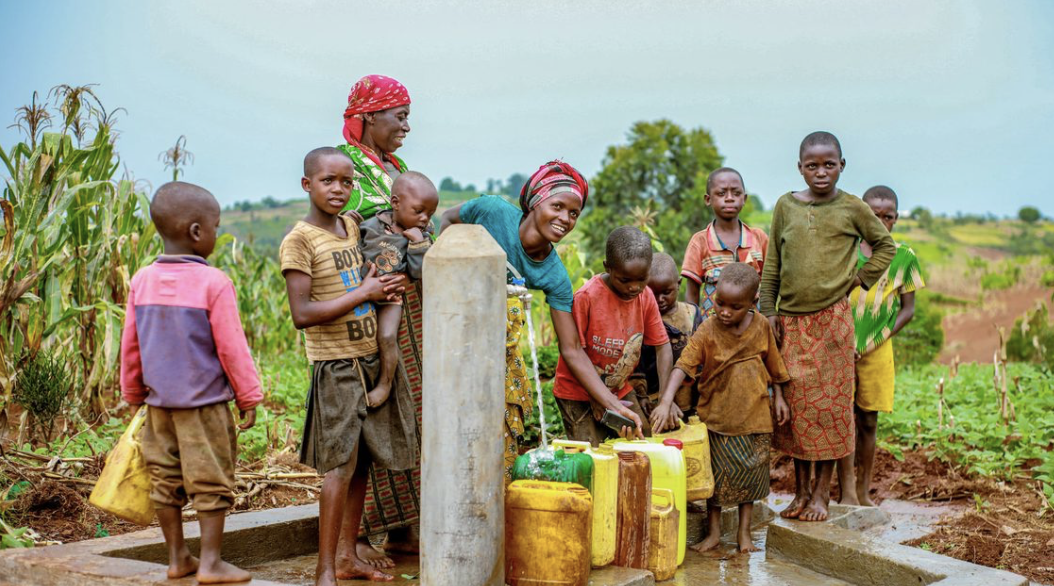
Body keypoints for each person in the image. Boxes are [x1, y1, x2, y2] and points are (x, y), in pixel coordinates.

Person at [441, 161, 647, 477]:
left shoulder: (554, 276)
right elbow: (448, 219)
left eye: (574, 213)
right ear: (537, 201)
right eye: (558, 206)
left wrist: (612, 403)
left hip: (490, 339)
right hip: (450, 319)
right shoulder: (492, 211)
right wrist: (448, 278)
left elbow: (572, 349)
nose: (565, 218)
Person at [279, 147, 417, 584]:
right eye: (328, 181)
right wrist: (365, 293)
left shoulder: (352, 227)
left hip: (370, 359)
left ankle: (346, 556)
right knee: (339, 468)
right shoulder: (299, 240)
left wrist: (391, 278)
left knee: (361, 465)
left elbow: (379, 264)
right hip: (336, 367)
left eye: (346, 182)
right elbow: (302, 314)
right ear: (307, 185)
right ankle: (325, 570)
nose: (339, 189)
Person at [120, 181, 261, 584]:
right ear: (198, 232)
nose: (216, 233)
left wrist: (133, 394)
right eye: (215, 226)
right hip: (204, 406)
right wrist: (248, 396)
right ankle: (212, 563)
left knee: (164, 478)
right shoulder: (213, 283)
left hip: (159, 404)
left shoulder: (141, 280)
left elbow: (131, 345)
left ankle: (178, 558)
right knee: (210, 480)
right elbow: (233, 348)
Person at [760, 132, 896, 522]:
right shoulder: (786, 206)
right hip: (791, 325)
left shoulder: (852, 207)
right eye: (812, 165)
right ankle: (800, 495)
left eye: (829, 164)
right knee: (798, 414)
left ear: (842, 166)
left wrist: (858, 279)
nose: (821, 172)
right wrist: (769, 310)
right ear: (799, 168)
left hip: (834, 324)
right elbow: (773, 264)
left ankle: (822, 496)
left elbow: (884, 246)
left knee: (831, 412)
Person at [337, 74, 421, 567]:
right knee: (369, 423)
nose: (407, 126)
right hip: (364, 300)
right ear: (369, 115)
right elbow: (345, 226)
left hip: (402, 301)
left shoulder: (396, 166)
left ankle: (401, 530)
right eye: (400, 115)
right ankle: (359, 538)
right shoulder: (344, 164)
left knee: (405, 415)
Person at [656, 263, 790, 553]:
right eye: (720, 303)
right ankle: (713, 533)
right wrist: (666, 401)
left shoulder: (762, 327)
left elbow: (775, 366)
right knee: (713, 482)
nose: (725, 311)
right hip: (716, 418)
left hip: (754, 418)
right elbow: (684, 366)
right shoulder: (708, 329)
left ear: (752, 303)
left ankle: (744, 534)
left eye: (734, 307)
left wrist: (779, 397)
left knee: (750, 482)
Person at [837, 185, 924, 506]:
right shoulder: (845, 251)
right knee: (842, 417)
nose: (881, 221)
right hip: (839, 348)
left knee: (868, 419)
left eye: (887, 216)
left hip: (878, 349)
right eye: (873, 215)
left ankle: (863, 490)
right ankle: (845, 491)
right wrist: (846, 341)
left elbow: (908, 310)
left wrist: (876, 339)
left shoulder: (904, 258)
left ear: (896, 219)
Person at [551, 226, 673, 444]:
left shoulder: (645, 297)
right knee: (590, 451)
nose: (634, 287)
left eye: (642, 279)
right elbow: (573, 352)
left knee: (641, 437)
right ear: (608, 267)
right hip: (578, 393)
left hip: (617, 388)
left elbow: (662, 346)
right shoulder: (587, 298)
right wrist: (597, 398)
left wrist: (665, 399)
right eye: (624, 280)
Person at [358, 172, 438, 408]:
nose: (424, 219)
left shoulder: (420, 236)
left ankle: (385, 384)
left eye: (430, 214)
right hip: (359, 292)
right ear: (395, 203)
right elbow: (353, 244)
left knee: (386, 336)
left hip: (391, 296)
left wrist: (417, 244)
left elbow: (417, 272)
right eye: (418, 211)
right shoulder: (371, 225)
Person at [681, 167, 768, 316]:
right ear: (708, 199)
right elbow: (692, 295)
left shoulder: (758, 238)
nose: (729, 198)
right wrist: (693, 328)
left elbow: (770, 285)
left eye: (736, 193)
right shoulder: (700, 241)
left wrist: (770, 318)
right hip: (713, 331)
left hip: (754, 330)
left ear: (744, 199)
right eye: (721, 193)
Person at [629, 252, 702, 418]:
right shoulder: (641, 319)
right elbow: (636, 361)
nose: (659, 299)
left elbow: (703, 355)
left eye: (666, 292)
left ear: (678, 284)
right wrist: (641, 395)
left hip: (690, 394)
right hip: (654, 395)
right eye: (652, 294)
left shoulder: (691, 314)